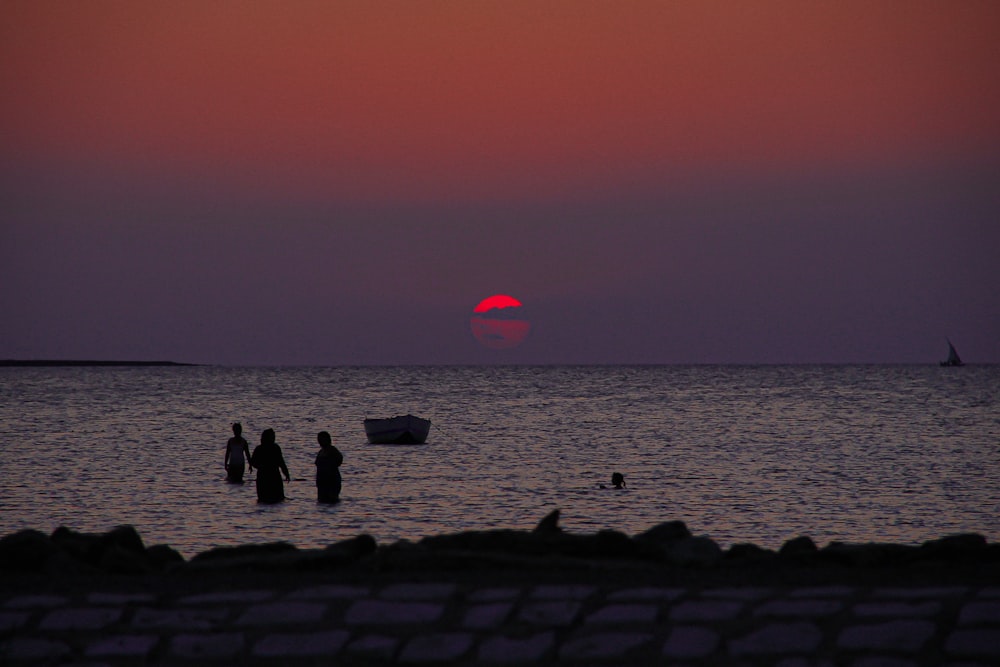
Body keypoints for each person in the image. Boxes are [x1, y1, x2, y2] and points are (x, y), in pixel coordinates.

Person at [249, 428, 290, 503]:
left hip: (273, 477)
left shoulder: (275, 448)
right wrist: (261, 466)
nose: (274, 438)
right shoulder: (260, 449)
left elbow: (281, 462)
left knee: (274, 498)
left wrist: (286, 473)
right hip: (266, 478)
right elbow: (253, 462)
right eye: (272, 436)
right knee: (268, 498)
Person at [314, 431, 343, 503]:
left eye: (321, 439)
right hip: (322, 482)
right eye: (319, 440)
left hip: (332, 481)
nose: (319, 442)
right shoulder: (321, 452)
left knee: (332, 499)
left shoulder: (333, 450)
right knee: (322, 500)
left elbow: (339, 460)